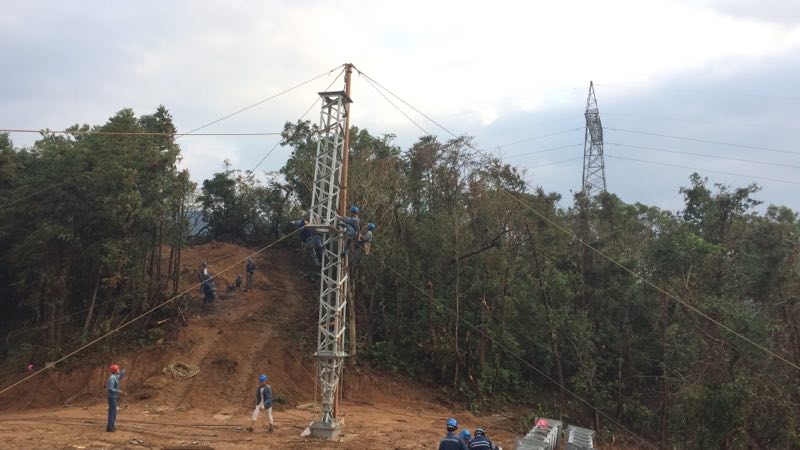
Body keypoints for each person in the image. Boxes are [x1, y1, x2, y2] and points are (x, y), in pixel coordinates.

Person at [106, 364, 125, 432]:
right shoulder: (112, 378)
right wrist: (118, 391)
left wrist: (123, 371)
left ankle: (111, 426)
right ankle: (110, 427)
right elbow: (110, 388)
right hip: (112, 397)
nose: (118, 369)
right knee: (112, 412)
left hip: (114, 397)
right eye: (117, 369)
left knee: (114, 412)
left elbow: (120, 377)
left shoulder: (115, 377)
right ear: (114, 371)